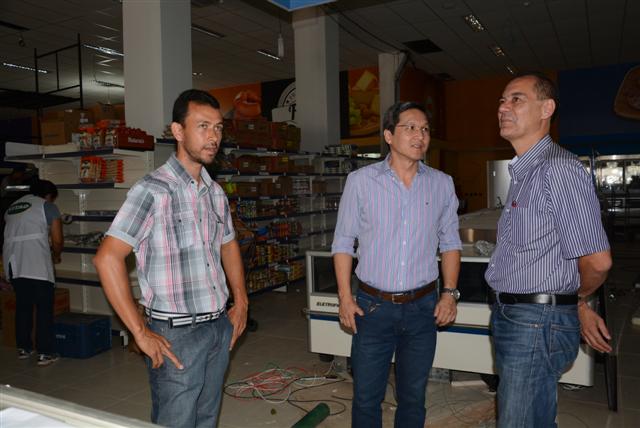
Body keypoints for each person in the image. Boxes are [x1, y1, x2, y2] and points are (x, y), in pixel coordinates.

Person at [93, 89, 248, 428]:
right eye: (203, 126)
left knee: (207, 417)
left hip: (218, 327)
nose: (213, 137)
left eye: (218, 128)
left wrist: (241, 301)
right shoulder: (152, 190)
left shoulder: (215, 192)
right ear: (178, 131)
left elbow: (228, 245)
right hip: (177, 333)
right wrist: (139, 332)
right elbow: (107, 258)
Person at [485, 72, 612, 427]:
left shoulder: (557, 170)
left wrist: (574, 299)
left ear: (547, 109)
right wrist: (577, 304)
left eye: (516, 99)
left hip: (534, 323)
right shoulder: (527, 172)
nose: (503, 108)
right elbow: (557, 259)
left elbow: (598, 261)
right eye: (502, 101)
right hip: (522, 317)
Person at [332, 101, 462, 428]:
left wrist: (449, 294)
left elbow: (450, 243)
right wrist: (345, 298)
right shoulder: (361, 181)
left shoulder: (442, 183)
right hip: (372, 307)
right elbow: (343, 242)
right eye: (411, 128)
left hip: (422, 307)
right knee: (366, 396)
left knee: (413, 396)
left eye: (425, 129)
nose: (420, 135)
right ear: (389, 135)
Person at [3, 179, 63, 366]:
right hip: (36, 263)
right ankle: (44, 353)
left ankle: (24, 348)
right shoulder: (48, 206)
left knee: (23, 307)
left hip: (14, 263)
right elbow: (57, 239)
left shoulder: (12, 207)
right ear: (49, 195)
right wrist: (56, 255)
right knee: (44, 309)